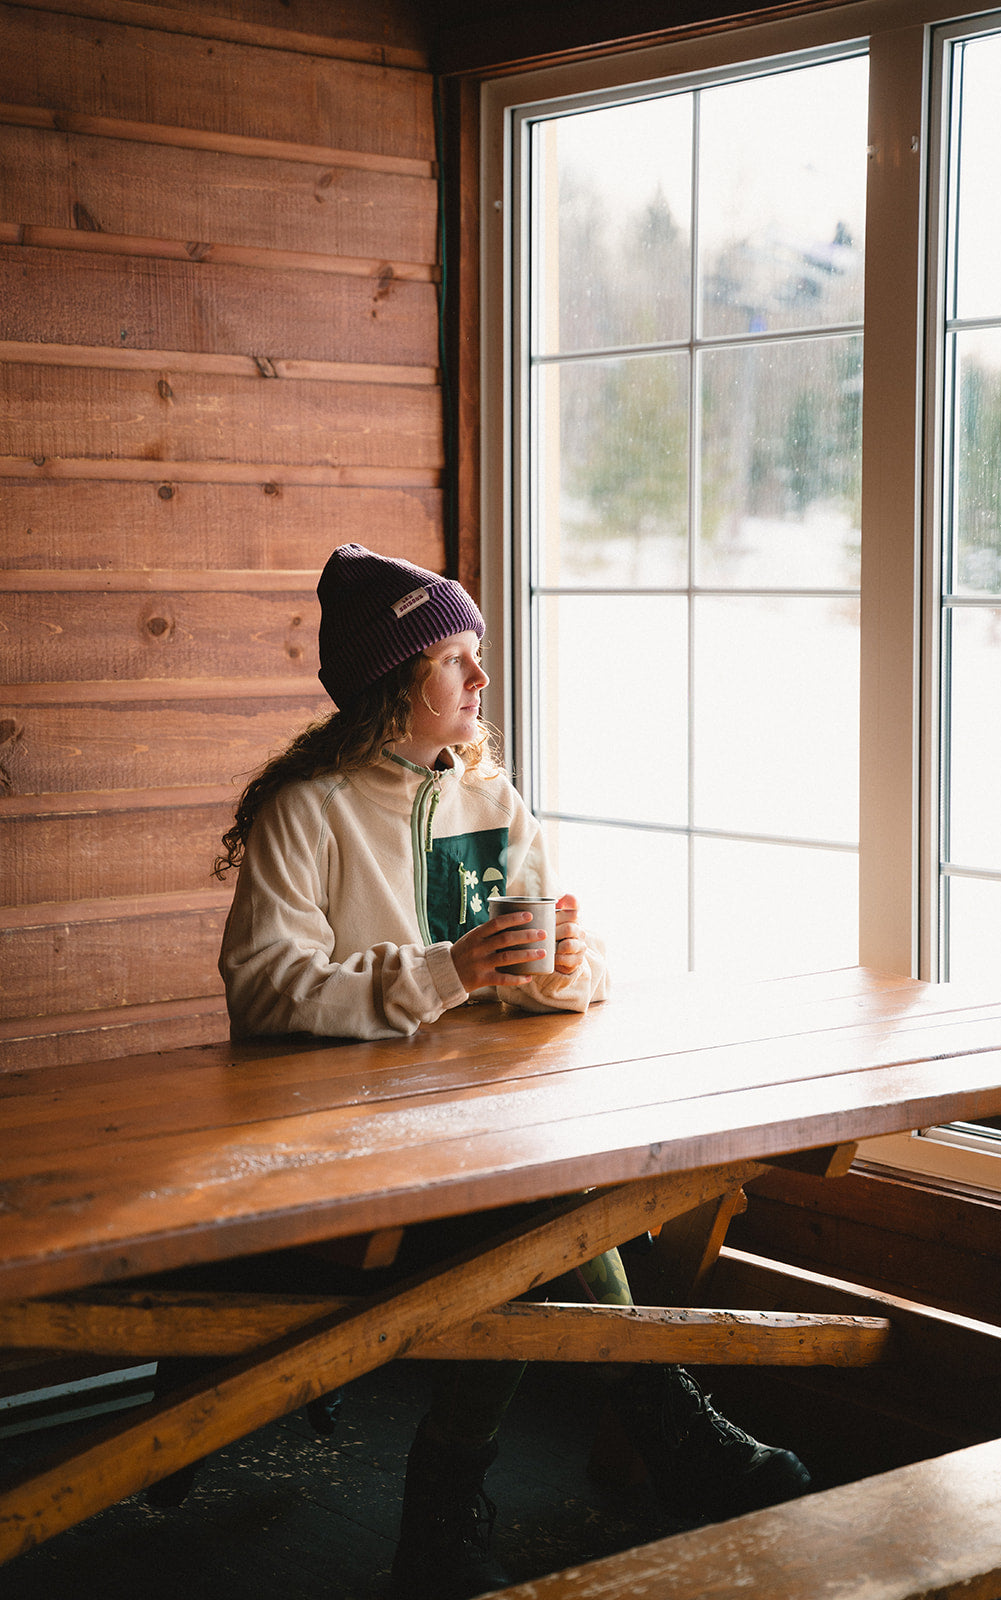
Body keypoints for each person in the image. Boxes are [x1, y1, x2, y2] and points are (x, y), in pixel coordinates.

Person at [216, 544, 810, 1600]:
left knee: (545, 1208)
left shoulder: (490, 795)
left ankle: (447, 1521)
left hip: (488, 1130)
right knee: (542, 1222)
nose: (480, 680)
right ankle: (660, 1429)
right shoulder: (304, 811)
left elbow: (572, 974)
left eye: (475, 654)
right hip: (343, 1161)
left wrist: (555, 971)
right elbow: (265, 990)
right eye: (453, 660)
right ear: (389, 683)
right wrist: (444, 969)